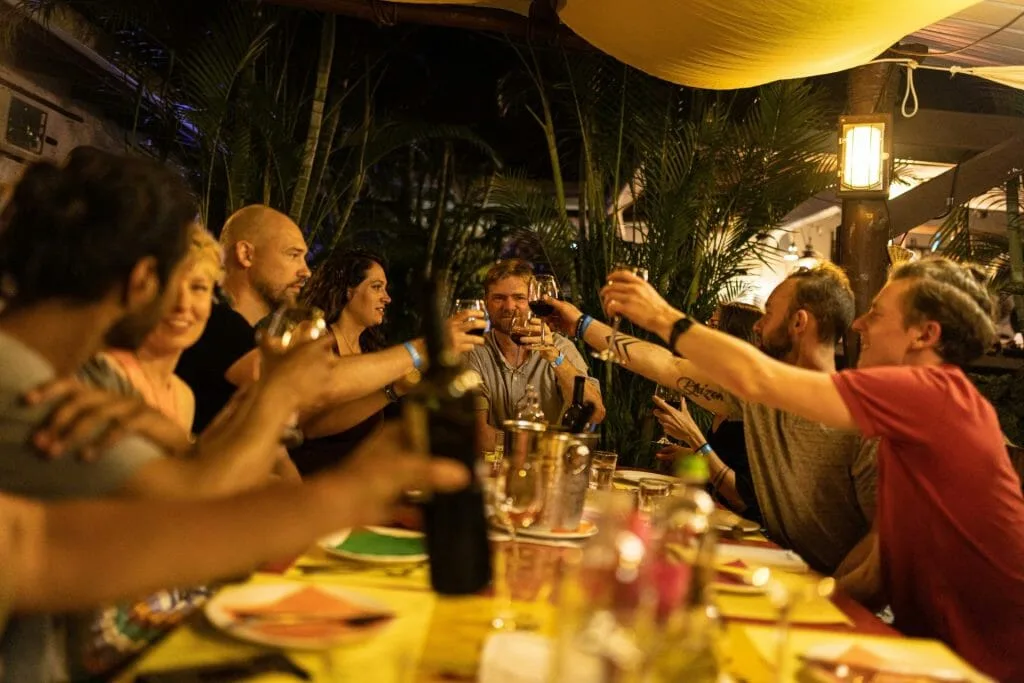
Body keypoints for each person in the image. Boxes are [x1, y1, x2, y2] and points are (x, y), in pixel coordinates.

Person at [601, 257, 1024, 681]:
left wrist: (660, 316)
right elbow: (879, 570)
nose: (858, 325)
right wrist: (794, 607)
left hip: (987, 667)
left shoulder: (932, 393)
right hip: (932, 659)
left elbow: (759, 378)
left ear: (925, 334)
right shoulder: (920, 419)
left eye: (876, 314)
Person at [543, 263, 876, 575]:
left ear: (799, 322)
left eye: (769, 313)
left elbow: (881, 538)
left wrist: (832, 594)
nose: (758, 325)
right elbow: (667, 365)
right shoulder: (757, 396)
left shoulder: (859, 419)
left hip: (834, 595)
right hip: (774, 568)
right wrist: (579, 324)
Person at [175, 205, 311, 432]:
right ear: (246, 254)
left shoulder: (243, 331)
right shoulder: (213, 319)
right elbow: (302, 389)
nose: (306, 271)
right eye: (293, 255)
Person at [81, 225, 223, 432]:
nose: (183, 304)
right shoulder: (104, 372)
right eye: (169, 287)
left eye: (198, 288)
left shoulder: (183, 396)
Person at [466, 260, 604, 446]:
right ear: (486, 303)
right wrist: (536, 455)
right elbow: (479, 433)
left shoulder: (560, 347)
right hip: (500, 468)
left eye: (519, 298)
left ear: (532, 301)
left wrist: (555, 357)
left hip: (551, 468)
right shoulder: (474, 351)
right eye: (499, 298)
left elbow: (596, 414)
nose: (509, 306)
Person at [655, 301, 763, 523]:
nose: (704, 331)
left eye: (713, 324)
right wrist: (689, 453)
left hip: (744, 531)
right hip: (711, 517)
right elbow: (726, 460)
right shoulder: (722, 394)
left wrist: (693, 437)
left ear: (735, 339)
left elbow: (742, 498)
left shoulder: (754, 408)